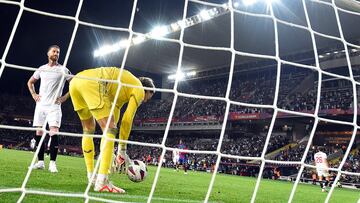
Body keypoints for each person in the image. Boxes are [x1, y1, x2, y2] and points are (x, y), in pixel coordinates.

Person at [69, 67, 155, 193]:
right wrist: (122, 150)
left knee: (88, 129)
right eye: (148, 97)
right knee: (110, 129)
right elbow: (127, 120)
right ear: (145, 90)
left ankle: (91, 176)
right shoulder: (139, 89)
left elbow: (109, 131)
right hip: (94, 82)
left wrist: (110, 156)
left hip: (76, 82)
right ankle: (102, 182)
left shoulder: (118, 93)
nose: (145, 100)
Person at [27, 45, 72, 173]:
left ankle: (52, 163)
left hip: (54, 106)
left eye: (58, 52)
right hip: (41, 105)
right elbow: (30, 82)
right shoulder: (42, 69)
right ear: (48, 53)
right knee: (39, 133)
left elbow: (74, 83)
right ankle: (40, 162)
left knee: (54, 132)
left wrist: (64, 98)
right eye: (54, 51)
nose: (56, 53)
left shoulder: (63, 69)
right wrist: (34, 95)